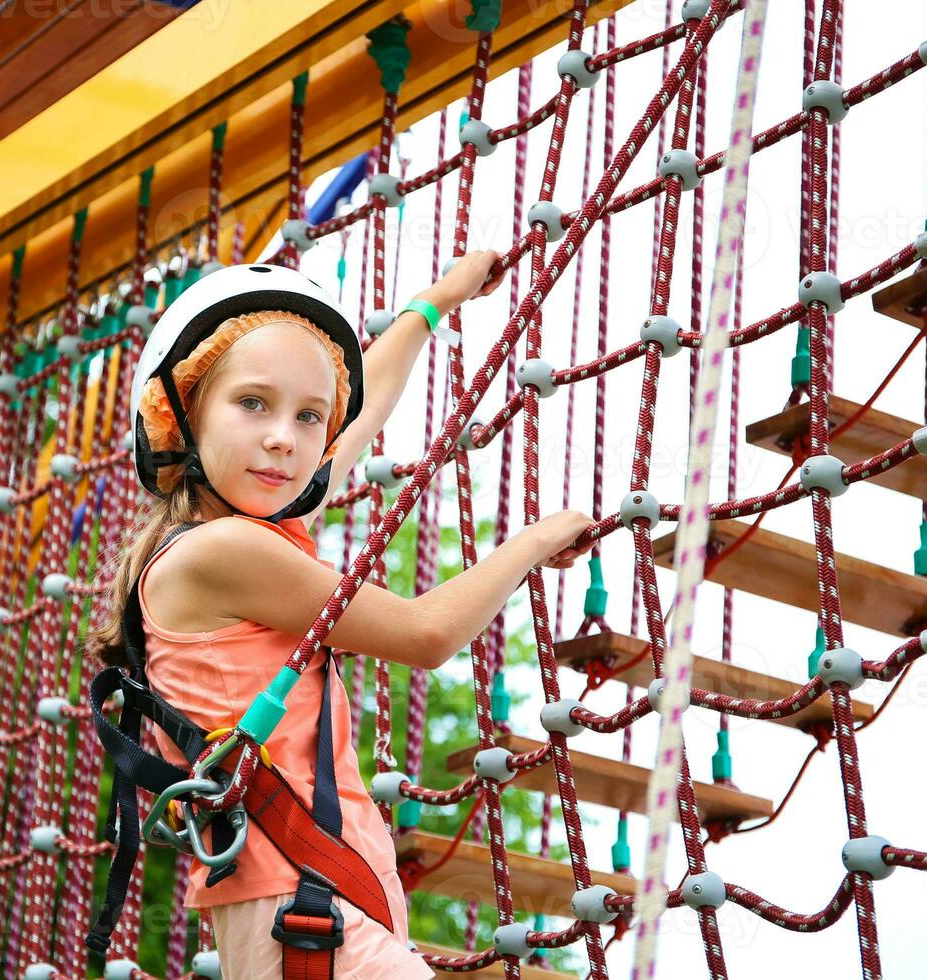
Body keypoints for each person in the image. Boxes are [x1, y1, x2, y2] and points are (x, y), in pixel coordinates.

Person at [85, 254, 594, 979]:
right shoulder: (225, 551)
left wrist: (433, 301)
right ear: (185, 411)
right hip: (304, 906)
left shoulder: (242, 531)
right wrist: (537, 540)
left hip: (324, 900)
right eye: (252, 404)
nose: (284, 438)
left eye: (307, 416)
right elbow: (426, 635)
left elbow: (361, 418)